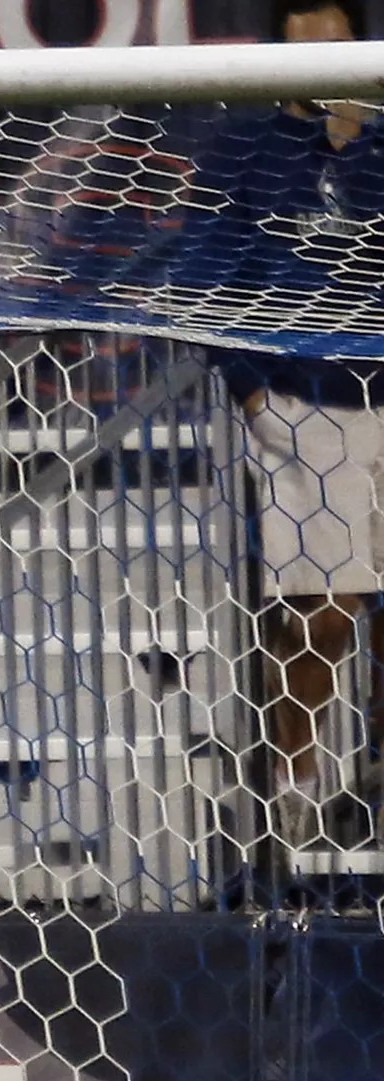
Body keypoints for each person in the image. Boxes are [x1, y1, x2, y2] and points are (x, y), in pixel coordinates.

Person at [213, 0, 384, 850]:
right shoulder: (246, 151)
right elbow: (207, 274)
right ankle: (299, 786)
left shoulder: (382, 142)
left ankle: (375, 779)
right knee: (325, 610)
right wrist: (253, 392)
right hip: (303, 406)